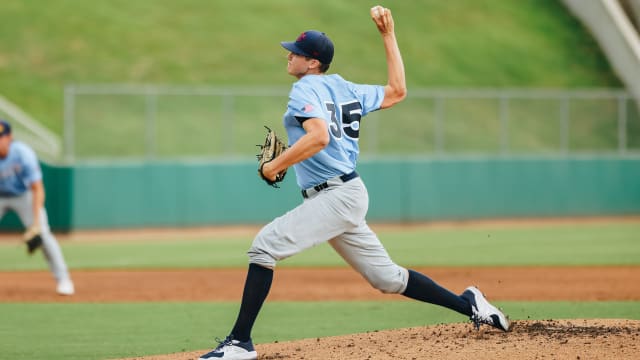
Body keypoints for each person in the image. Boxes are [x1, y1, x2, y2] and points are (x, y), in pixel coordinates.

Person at [199, 6, 509, 360]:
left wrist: (274, 166)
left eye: (296, 52)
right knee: (387, 279)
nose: (289, 55)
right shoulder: (344, 87)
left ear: (313, 62)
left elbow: (318, 138)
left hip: (337, 196)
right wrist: (388, 35)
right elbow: (397, 91)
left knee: (264, 247)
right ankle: (471, 305)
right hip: (344, 194)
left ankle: (240, 342)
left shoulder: (304, 90)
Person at [0, 119, 74, 296]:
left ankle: (64, 279)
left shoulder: (23, 153)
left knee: (44, 235)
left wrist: (35, 224)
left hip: (23, 195)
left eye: (1, 137)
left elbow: (37, 188)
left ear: (10, 137)